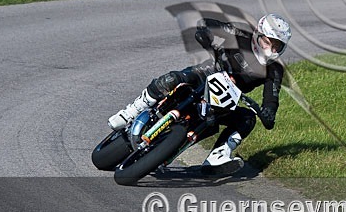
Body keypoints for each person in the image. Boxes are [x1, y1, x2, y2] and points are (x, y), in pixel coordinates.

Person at [107, 14, 292, 173]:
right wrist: (206, 36)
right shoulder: (240, 35)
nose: (271, 50)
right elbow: (205, 24)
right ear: (258, 35)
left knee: (247, 118)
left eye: (277, 46)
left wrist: (268, 113)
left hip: (226, 100)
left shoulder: (275, 70)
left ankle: (218, 156)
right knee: (172, 79)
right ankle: (131, 111)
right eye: (268, 42)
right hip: (205, 74)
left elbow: (271, 97)